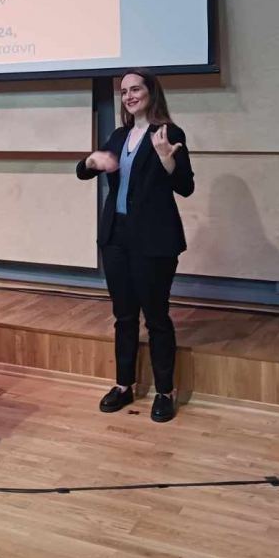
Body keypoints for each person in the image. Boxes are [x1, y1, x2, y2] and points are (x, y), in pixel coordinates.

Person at [76, 69, 194, 422]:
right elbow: (84, 171)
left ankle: (165, 391)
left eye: (135, 89)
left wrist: (167, 160)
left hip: (154, 239)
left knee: (156, 317)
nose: (128, 96)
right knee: (124, 316)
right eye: (124, 91)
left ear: (151, 92)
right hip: (116, 236)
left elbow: (186, 186)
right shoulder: (119, 135)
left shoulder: (169, 133)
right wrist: (91, 161)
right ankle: (123, 384)